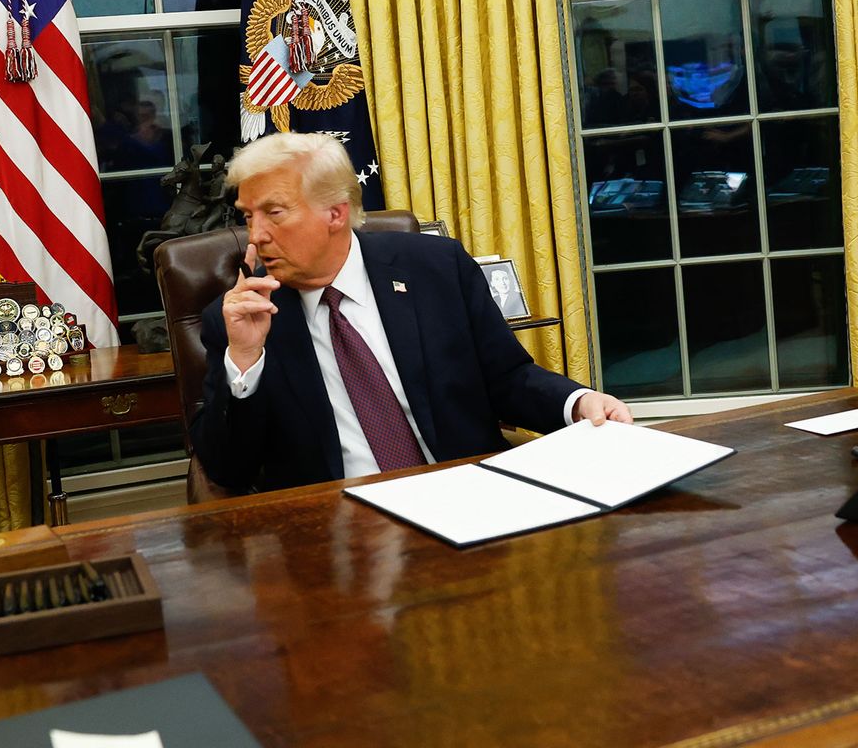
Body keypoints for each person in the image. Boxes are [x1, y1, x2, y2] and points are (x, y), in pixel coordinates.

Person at [192, 132, 632, 493]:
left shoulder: (435, 268)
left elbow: (507, 378)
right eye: (249, 216)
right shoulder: (240, 321)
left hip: (470, 495)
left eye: (274, 212)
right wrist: (244, 363)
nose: (257, 236)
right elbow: (228, 471)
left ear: (335, 213)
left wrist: (578, 403)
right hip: (338, 530)